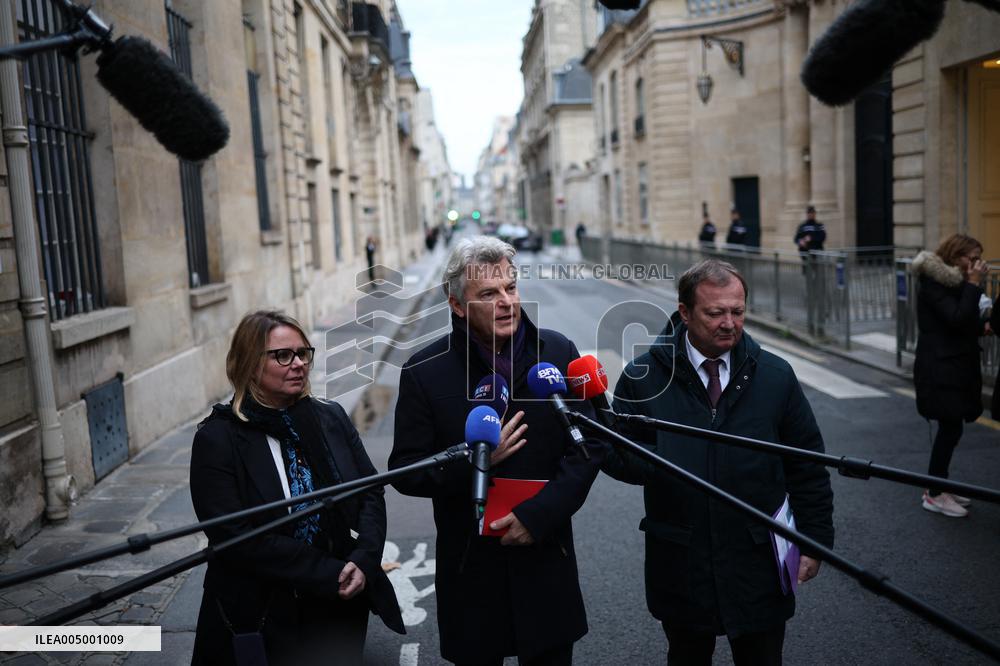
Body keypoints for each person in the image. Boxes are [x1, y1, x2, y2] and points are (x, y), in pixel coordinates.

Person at [603, 259, 834, 666]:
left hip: (758, 560)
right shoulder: (642, 376)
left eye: (738, 311)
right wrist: (605, 433)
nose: (729, 323)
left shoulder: (776, 376)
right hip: (681, 562)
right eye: (715, 313)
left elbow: (808, 465)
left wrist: (814, 539)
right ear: (685, 312)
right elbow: (625, 463)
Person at [389, 236, 605, 665]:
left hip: (546, 555)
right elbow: (406, 470)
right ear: (457, 305)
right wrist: (473, 460)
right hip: (472, 567)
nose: (507, 302)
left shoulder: (557, 352)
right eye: (488, 294)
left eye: (511, 287)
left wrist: (538, 516)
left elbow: (590, 445)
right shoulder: (423, 371)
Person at [189, 310, 404, 665]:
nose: (298, 364)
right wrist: (327, 571)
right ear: (249, 364)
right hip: (263, 610)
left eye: (303, 353)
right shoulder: (219, 438)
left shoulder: (327, 417)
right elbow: (236, 536)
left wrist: (364, 559)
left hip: (337, 606)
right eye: (283, 355)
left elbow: (370, 491)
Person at [911, 234, 989, 518]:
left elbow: (962, 321)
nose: (976, 264)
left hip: (953, 366)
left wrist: (982, 326)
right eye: (972, 258)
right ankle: (933, 494)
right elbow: (955, 318)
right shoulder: (934, 282)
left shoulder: (954, 283)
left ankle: (939, 484)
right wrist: (973, 285)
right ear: (956, 257)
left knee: (952, 428)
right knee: (950, 428)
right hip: (940, 369)